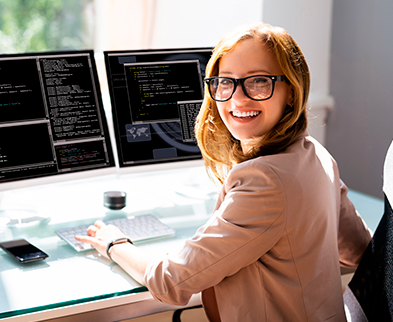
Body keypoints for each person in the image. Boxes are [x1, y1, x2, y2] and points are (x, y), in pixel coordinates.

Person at [75, 23, 372, 321]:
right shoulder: (316, 155)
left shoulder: (265, 181)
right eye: (225, 82)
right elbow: (358, 251)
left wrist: (114, 243)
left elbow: (171, 281)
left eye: (258, 82)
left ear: (292, 92)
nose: (238, 99)